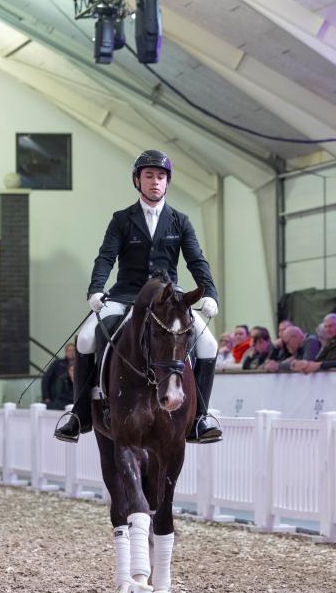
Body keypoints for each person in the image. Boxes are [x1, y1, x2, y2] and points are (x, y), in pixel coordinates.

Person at [55, 150, 221, 445]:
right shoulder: (122, 219)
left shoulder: (180, 221)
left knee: (209, 344)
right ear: (137, 180)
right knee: (85, 339)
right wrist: (96, 289)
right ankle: (80, 414)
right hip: (126, 296)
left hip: (167, 299)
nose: (155, 181)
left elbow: (196, 260)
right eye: (149, 176)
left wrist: (210, 292)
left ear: (167, 182)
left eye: (161, 177)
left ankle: (200, 418)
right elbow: (106, 257)